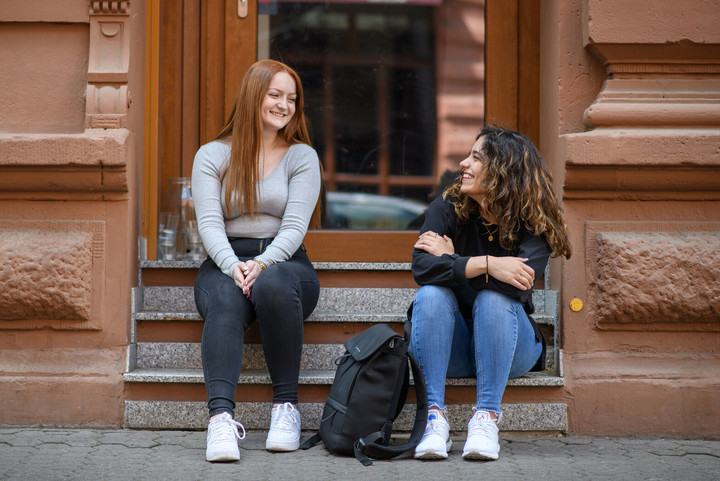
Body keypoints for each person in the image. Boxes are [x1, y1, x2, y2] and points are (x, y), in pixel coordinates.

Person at [408, 125, 571, 461]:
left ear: (503, 172)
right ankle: (433, 419)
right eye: (468, 155)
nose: (463, 164)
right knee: (430, 296)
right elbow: (422, 267)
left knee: (495, 299)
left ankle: (486, 417)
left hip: (510, 349)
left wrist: (453, 261)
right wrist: (490, 265)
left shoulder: (533, 221)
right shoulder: (449, 206)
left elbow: (517, 284)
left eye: (476, 158)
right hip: (447, 348)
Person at [191, 59, 323, 462]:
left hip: (286, 264)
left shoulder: (302, 156)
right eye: (275, 94)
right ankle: (220, 421)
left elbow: (295, 226)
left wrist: (262, 264)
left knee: (275, 284)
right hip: (223, 261)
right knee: (226, 301)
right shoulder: (212, 155)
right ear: (254, 96)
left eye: (292, 98)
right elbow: (210, 224)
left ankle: (286, 408)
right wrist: (234, 265)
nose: (285, 105)